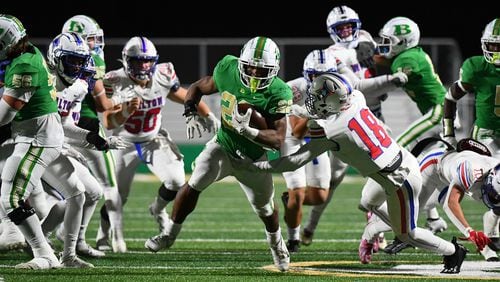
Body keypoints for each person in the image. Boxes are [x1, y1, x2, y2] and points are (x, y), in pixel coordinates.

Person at [234, 73, 468, 274]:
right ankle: (372, 230)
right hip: (400, 161)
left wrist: (259, 166)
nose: (313, 100)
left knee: (407, 234)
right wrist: (301, 111)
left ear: (332, 102)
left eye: (318, 98)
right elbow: (328, 112)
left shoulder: (333, 132)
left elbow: (296, 161)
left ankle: (453, 251)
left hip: (399, 180)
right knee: (366, 202)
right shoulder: (355, 98)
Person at [144, 36, 293, 272]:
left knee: (265, 209)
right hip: (223, 145)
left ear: (273, 70)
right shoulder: (227, 67)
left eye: (261, 69)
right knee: (193, 184)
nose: (254, 72)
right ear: (241, 62)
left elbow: (278, 139)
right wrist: (190, 110)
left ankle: (277, 245)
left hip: (252, 158)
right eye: (250, 66)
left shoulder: (279, 91)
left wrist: (249, 130)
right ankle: (168, 234)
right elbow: (198, 87)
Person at [301, 5, 411, 247]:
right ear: (332, 31)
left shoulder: (365, 39)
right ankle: (310, 225)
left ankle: (380, 230)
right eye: (341, 27)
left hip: (372, 114)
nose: (347, 30)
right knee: (335, 178)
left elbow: (379, 61)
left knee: (387, 168)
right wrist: (390, 81)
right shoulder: (333, 54)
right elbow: (355, 86)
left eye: (350, 25)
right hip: (347, 116)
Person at [102, 36, 219, 253]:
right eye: (138, 61)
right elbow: (108, 121)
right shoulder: (113, 80)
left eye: (147, 60)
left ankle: (157, 209)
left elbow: (186, 96)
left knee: (176, 180)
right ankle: (103, 235)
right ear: (127, 60)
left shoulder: (163, 75)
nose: (144, 65)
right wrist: (126, 111)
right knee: (118, 193)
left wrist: (209, 115)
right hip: (123, 142)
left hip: (153, 138)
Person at [283, 48, 406, 252]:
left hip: (324, 134)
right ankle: (293, 238)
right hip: (297, 138)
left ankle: (303, 217)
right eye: (314, 76)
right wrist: (310, 114)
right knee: (296, 190)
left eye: (324, 75)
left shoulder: (343, 83)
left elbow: (358, 93)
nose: (319, 82)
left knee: (322, 194)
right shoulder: (295, 89)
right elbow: (296, 132)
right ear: (306, 74)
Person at [360, 16, 451, 254]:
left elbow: (392, 78)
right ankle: (431, 219)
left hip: (439, 112)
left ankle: (411, 220)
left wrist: (365, 75)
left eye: (390, 40)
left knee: (398, 148)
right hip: (436, 111)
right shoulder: (406, 55)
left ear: (404, 42)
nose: (385, 44)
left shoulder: (408, 58)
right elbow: (384, 60)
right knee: (420, 171)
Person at [360, 137, 500, 261]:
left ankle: (486, 251)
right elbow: (450, 204)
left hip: (449, 178)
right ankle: (371, 230)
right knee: (406, 217)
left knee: (411, 216)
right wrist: (470, 232)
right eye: (493, 194)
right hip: (434, 167)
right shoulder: (471, 170)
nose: (492, 197)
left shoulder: (494, 174)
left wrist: (490, 239)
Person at [61, 15, 130, 254]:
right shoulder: (91, 61)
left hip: (60, 130)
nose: (94, 44)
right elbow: (103, 105)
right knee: (106, 186)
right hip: (85, 127)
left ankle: (45, 240)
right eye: (90, 39)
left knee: (69, 192)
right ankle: (113, 239)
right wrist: (120, 98)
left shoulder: (55, 61)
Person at [0, 14, 64, 269]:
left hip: (38, 137)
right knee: (14, 193)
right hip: (34, 134)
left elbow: (4, 116)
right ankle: (44, 251)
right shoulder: (29, 52)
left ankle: (45, 254)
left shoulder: (24, 65)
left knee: (12, 198)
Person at [441, 17, 500, 260]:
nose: (495, 51)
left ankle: (492, 236)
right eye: (492, 45)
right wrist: (448, 132)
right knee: (482, 186)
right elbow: (450, 97)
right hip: (485, 136)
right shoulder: (477, 67)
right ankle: (485, 241)